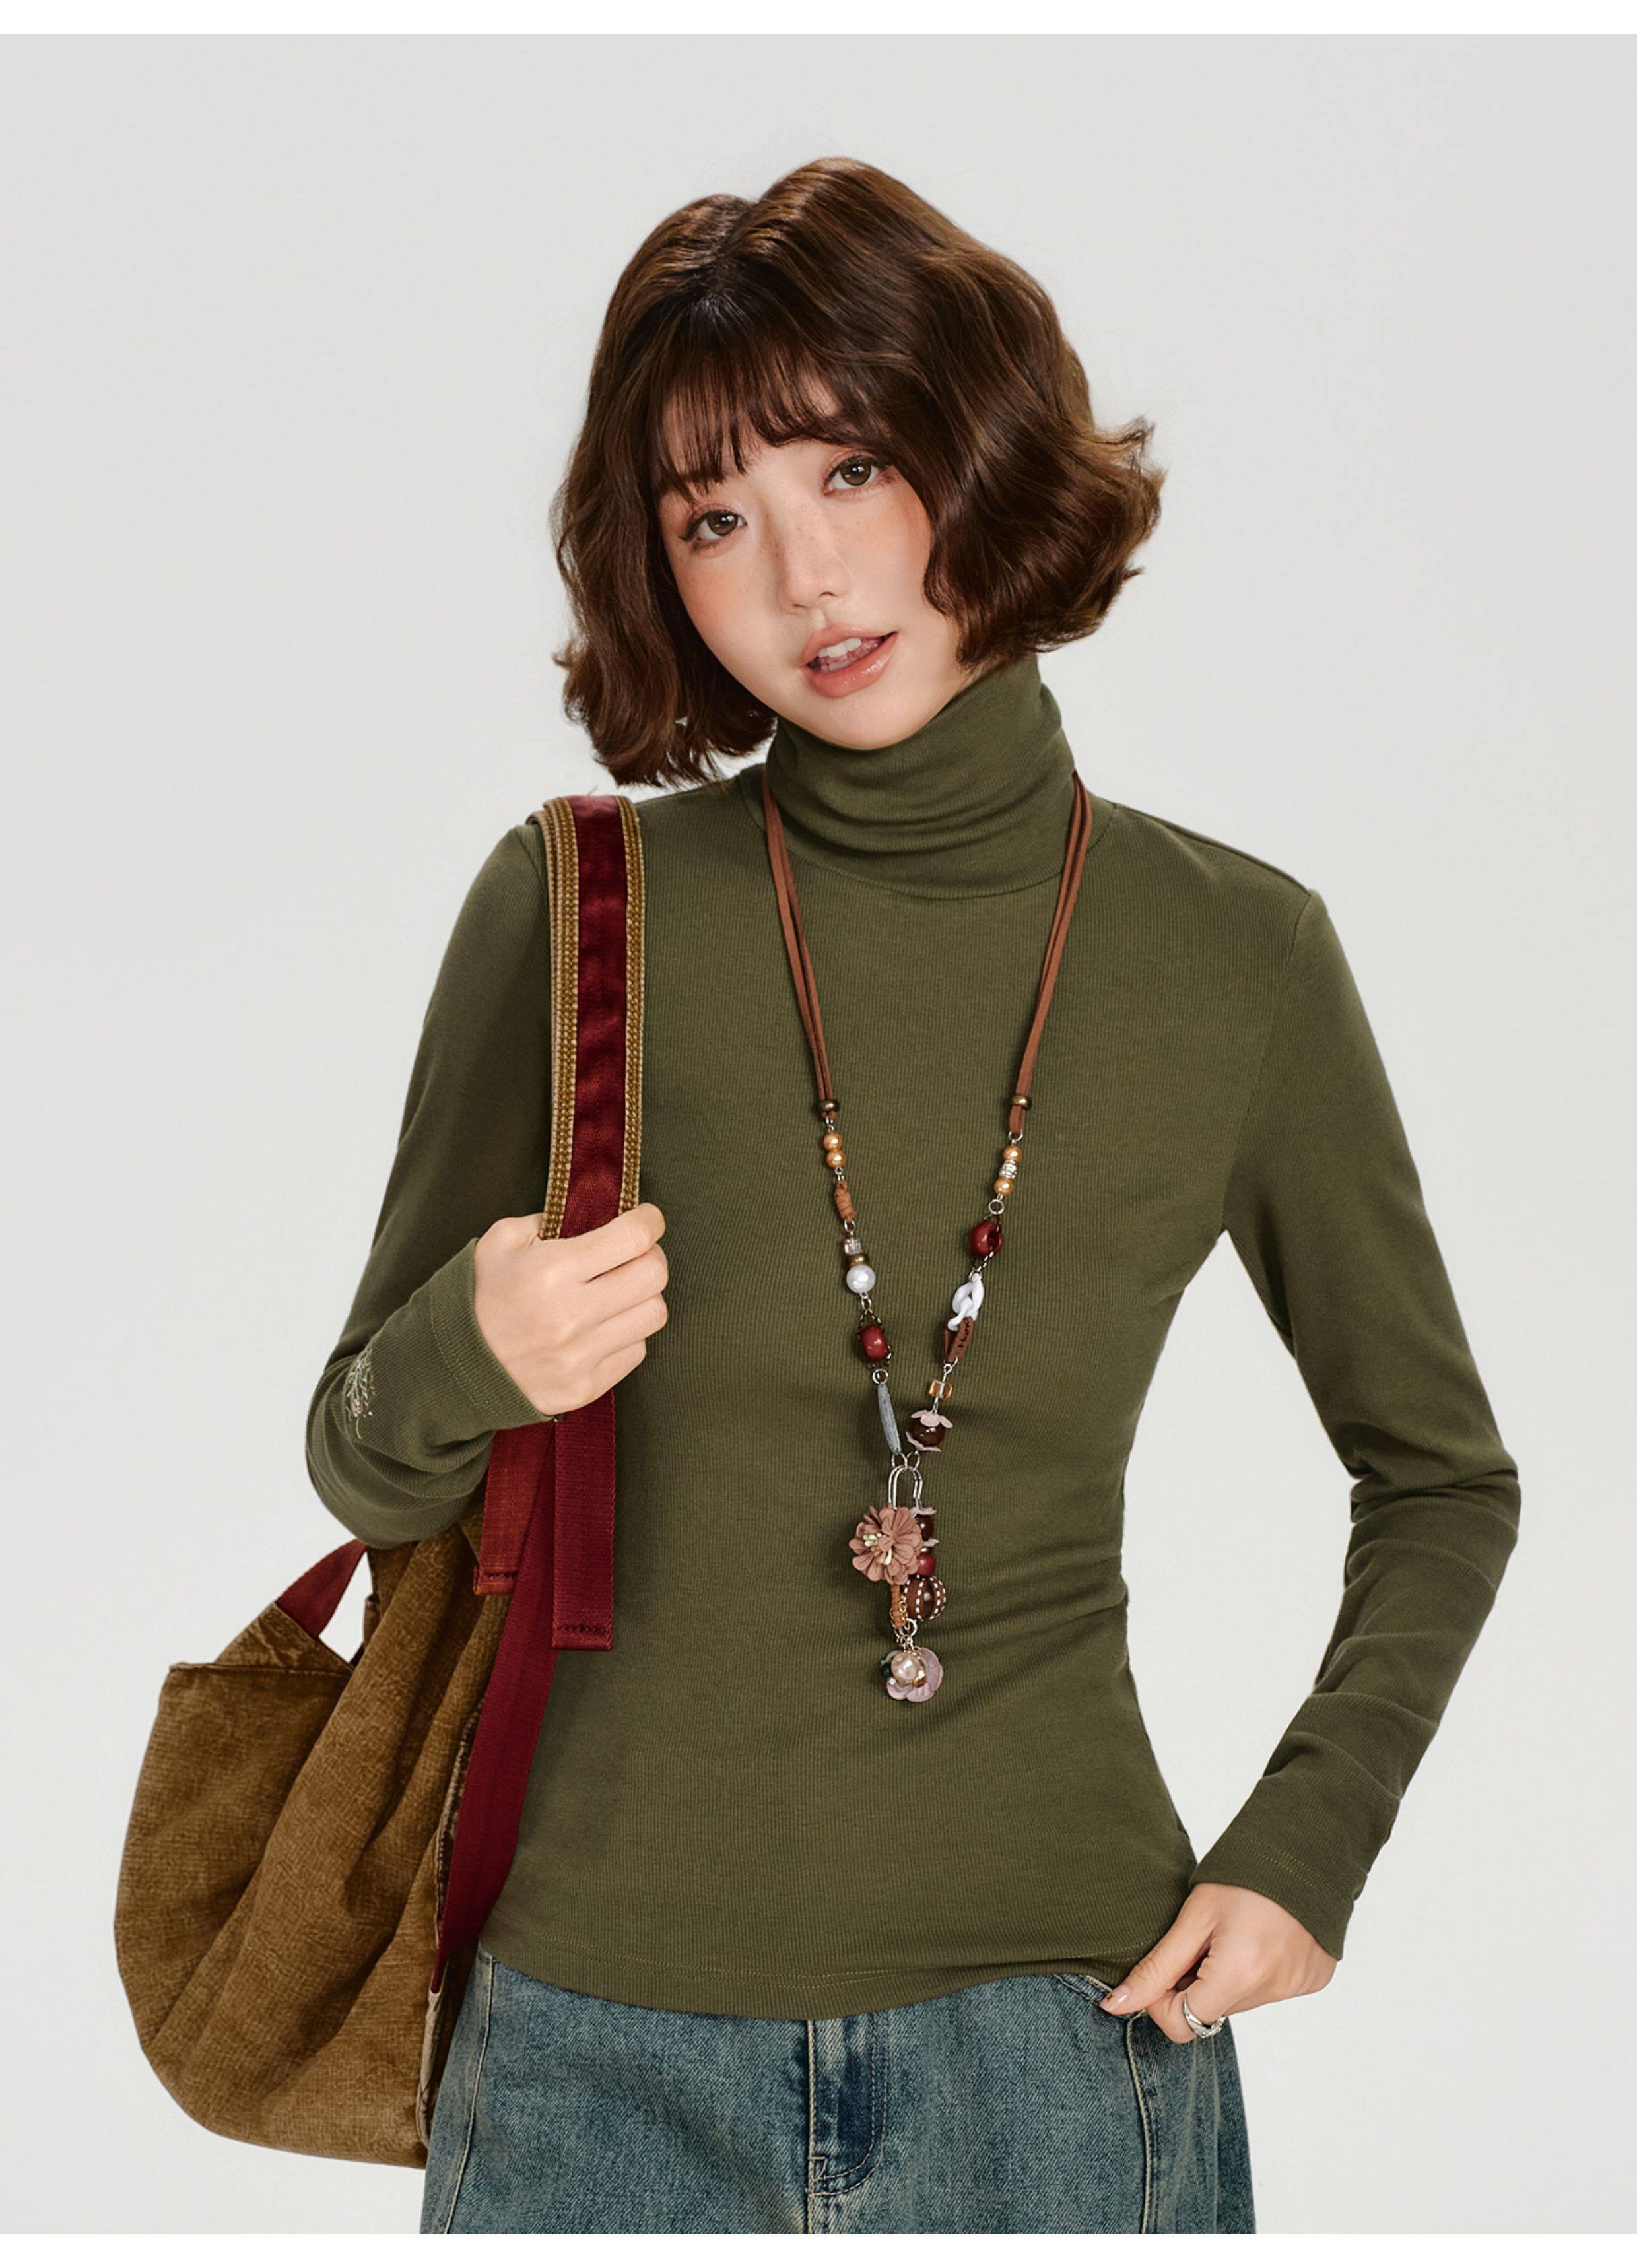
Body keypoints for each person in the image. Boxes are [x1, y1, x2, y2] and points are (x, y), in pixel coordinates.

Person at [306, 156, 1520, 2236]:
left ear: (978, 443)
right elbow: (360, 1454)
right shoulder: (581, 915)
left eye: (850, 469)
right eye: (713, 517)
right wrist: (468, 1350)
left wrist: (1310, 1842)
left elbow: (1440, 1475)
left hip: (1064, 2040)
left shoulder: (1237, 955)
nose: (804, 575)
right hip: (595, 2052)